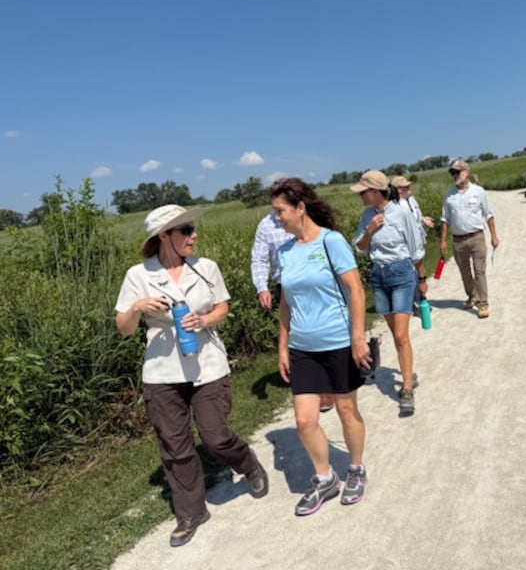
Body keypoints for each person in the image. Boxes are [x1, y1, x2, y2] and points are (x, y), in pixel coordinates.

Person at [115, 204, 268, 547]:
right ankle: (191, 512)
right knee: (174, 445)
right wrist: (137, 307)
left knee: (215, 436)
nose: (193, 235)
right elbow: (123, 328)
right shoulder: (138, 275)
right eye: (185, 230)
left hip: (207, 364)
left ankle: (248, 464)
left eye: (192, 229)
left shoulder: (205, 267)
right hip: (162, 371)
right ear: (163, 236)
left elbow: (222, 307)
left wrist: (204, 320)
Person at [271, 178, 370, 516]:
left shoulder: (331, 242)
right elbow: (285, 303)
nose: (277, 218)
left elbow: (356, 290)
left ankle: (356, 469)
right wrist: (283, 347)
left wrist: (358, 338)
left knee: (346, 410)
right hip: (302, 347)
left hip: (338, 342)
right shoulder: (284, 252)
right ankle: (325, 477)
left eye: (280, 211)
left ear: (300, 208)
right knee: (304, 420)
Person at [352, 170, 426, 415]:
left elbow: (416, 248)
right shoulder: (367, 216)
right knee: (395, 333)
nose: (361, 196)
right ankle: (408, 372)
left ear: (375, 191)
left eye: (363, 192)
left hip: (401, 273)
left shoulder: (401, 212)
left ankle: (407, 389)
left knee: (402, 335)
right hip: (378, 276)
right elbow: (360, 249)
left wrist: (421, 279)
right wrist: (369, 230)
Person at [251, 210, 335, 413]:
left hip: (314, 281)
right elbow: (259, 259)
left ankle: (326, 386)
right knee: (298, 334)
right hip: (286, 286)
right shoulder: (266, 225)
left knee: (320, 330)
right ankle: (311, 383)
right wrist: (262, 287)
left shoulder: (309, 216)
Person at [440, 159, 500, 319]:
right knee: (464, 272)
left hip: (476, 237)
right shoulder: (449, 196)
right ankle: (472, 295)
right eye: (453, 173)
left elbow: (488, 214)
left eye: (457, 172)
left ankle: (483, 303)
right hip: (458, 240)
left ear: (466, 172)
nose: (455, 175)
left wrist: (494, 235)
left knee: (479, 271)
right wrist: (443, 241)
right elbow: (445, 219)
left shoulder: (479, 192)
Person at [391, 174, 433, 315]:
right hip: (406, 245)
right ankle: (415, 303)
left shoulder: (411, 200)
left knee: (419, 272)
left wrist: (423, 219)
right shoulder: (395, 206)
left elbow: (415, 217)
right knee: (411, 274)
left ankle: (421, 300)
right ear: (398, 189)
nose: (409, 188)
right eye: (406, 186)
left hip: (418, 241)